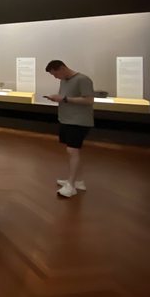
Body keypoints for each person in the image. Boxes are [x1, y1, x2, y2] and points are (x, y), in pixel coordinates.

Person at [44, 60, 94, 198]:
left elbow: (89, 100)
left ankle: (71, 186)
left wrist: (64, 99)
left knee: (72, 151)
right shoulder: (64, 81)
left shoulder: (83, 79)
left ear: (62, 68)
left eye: (55, 74)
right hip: (66, 120)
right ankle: (77, 181)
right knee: (73, 151)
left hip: (78, 121)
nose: (56, 78)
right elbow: (65, 98)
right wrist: (57, 98)